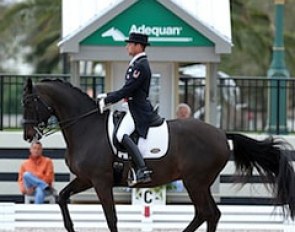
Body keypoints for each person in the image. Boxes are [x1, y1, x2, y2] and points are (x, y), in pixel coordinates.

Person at [97, 32, 155, 186]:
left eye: (129, 44)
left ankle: (142, 170)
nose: (126, 46)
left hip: (138, 110)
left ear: (138, 46)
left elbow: (128, 90)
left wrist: (108, 100)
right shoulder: (137, 63)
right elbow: (127, 90)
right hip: (132, 107)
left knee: (121, 134)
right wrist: (107, 95)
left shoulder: (141, 66)